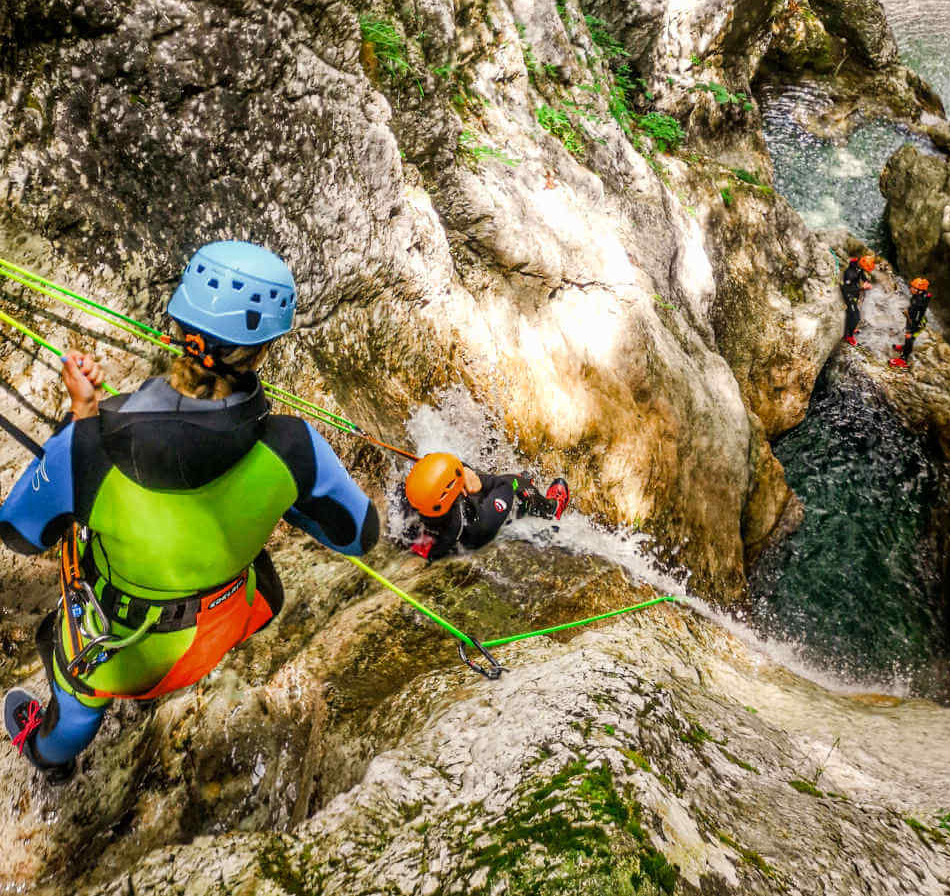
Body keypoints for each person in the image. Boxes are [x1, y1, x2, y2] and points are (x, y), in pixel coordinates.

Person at [1, 241, 379, 783]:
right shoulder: (295, 448)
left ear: (176, 328)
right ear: (263, 349)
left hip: (122, 652)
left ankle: (49, 756)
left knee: (78, 693)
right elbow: (357, 536)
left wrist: (79, 419)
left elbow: (20, 532)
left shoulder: (89, 448)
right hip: (222, 628)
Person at [403, 452, 569, 562]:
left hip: (448, 524)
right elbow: (504, 487)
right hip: (483, 523)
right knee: (515, 483)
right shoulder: (480, 525)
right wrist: (467, 471)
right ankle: (552, 508)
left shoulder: (411, 502)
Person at [889, 277, 931, 368]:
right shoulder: (919, 296)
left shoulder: (919, 302)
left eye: (913, 288)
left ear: (919, 290)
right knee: (907, 336)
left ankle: (903, 359)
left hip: (916, 323)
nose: (910, 289)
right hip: (913, 319)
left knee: (909, 338)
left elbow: (917, 319)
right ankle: (904, 347)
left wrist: (911, 328)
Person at [841, 254, 875, 345]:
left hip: (854, 291)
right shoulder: (850, 273)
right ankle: (849, 335)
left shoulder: (858, 267)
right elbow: (846, 289)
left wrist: (866, 281)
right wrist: (862, 288)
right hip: (849, 294)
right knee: (855, 317)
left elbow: (861, 274)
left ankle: (852, 328)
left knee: (856, 313)